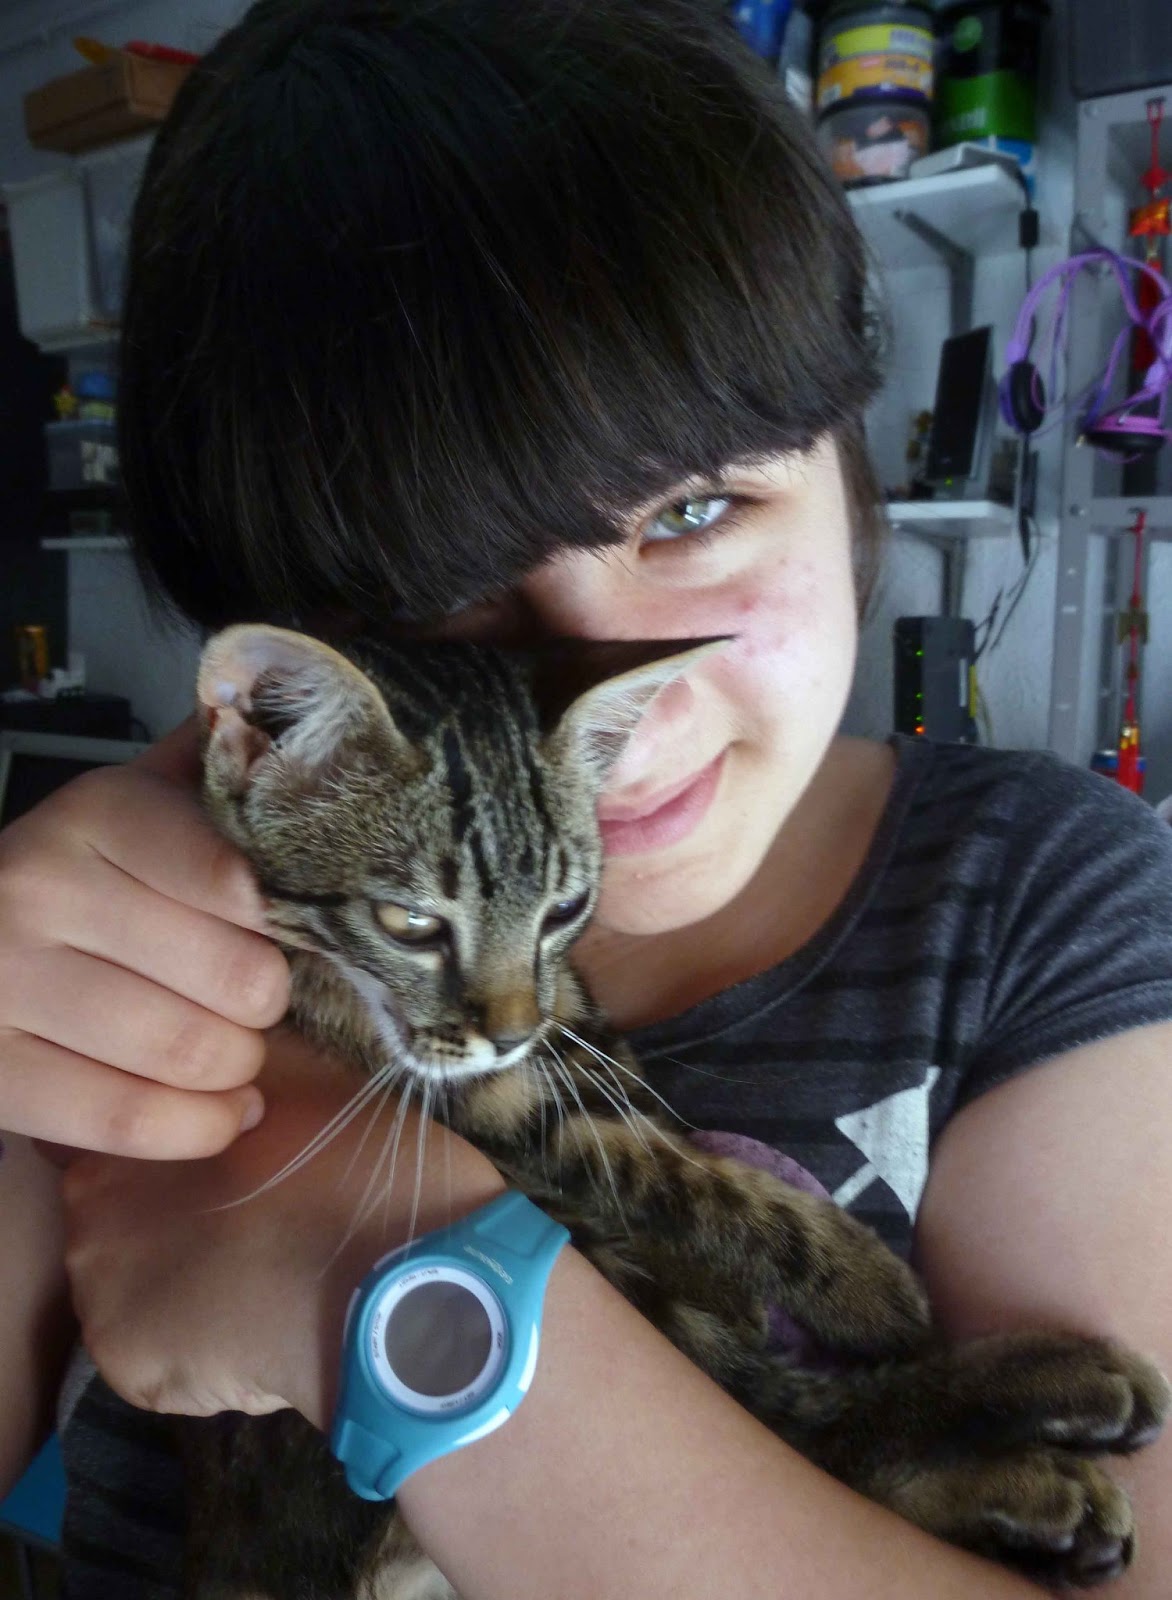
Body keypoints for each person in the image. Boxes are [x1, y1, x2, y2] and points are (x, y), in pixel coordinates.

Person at [2, 2, 1172, 1595]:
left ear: (851, 457)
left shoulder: (1046, 903)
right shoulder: (141, 930)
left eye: (692, 510)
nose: (619, 707)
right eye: (434, 588)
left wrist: (384, 1287)